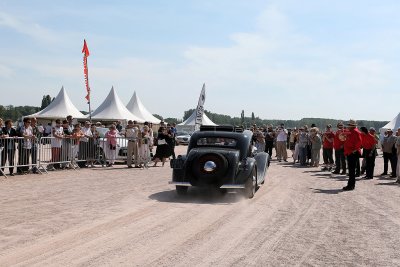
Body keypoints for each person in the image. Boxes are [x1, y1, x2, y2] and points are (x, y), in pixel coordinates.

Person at [342, 119, 362, 191]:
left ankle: (351, 185)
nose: (348, 127)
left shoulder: (356, 132)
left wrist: (354, 150)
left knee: (352, 170)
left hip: (353, 153)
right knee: (351, 170)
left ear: (351, 126)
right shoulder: (351, 131)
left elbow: (359, 142)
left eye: (349, 125)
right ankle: (350, 185)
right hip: (350, 152)